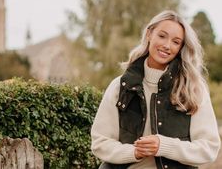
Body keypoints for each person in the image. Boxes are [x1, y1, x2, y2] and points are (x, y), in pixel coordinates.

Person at [91, 10, 221, 169]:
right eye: (162, 36)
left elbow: (209, 148)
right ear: (149, 34)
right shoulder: (120, 86)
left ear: (181, 47)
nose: (167, 45)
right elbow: (100, 142)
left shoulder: (193, 89)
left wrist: (164, 145)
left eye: (176, 41)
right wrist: (135, 152)